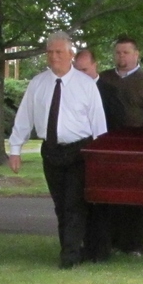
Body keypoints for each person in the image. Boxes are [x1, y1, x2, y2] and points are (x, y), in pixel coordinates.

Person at [8, 32, 107, 269]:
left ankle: (70, 256)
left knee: (74, 204)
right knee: (60, 205)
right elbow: (24, 118)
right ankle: (71, 248)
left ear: (71, 55)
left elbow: (98, 124)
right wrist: (15, 148)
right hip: (50, 151)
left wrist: (100, 157)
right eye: (50, 52)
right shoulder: (38, 83)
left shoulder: (86, 85)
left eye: (59, 52)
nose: (54, 57)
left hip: (79, 151)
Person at [98, 36, 143, 255]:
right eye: (118, 52)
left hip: (136, 149)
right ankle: (111, 242)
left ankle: (134, 244)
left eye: (126, 52)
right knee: (109, 197)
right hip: (106, 145)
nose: (121, 56)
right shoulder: (103, 79)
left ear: (136, 55)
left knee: (134, 199)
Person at [74, 47, 124, 262]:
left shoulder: (109, 92)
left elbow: (117, 124)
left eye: (84, 70)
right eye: (77, 70)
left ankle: (102, 249)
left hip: (103, 155)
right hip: (78, 154)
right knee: (80, 202)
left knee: (101, 204)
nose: (80, 75)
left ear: (95, 66)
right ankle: (84, 246)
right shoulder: (72, 90)